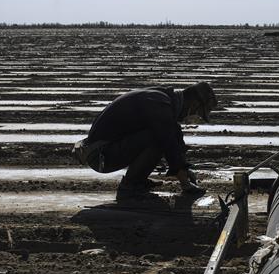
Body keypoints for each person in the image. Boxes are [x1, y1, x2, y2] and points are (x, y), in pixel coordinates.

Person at [73, 82, 217, 200]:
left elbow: (175, 134)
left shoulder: (164, 99)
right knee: (158, 138)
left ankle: (138, 180)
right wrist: (184, 181)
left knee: (164, 133)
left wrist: (184, 167)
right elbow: (169, 142)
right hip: (100, 156)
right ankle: (130, 185)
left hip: (106, 150)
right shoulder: (159, 104)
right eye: (198, 113)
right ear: (193, 104)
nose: (193, 117)